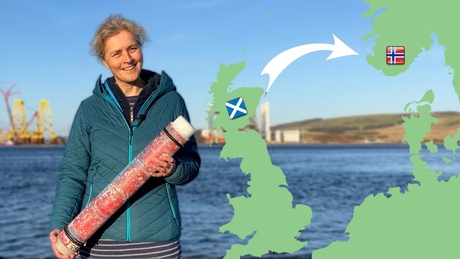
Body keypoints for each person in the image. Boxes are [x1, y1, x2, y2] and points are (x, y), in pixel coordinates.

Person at [49, 14, 200, 259]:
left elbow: (191, 164)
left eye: (132, 48)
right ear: (104, 60)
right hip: (99, 242)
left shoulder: (171, 102)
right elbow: (73, 173)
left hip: (158, 245)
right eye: (116, 53)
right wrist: (60, 224)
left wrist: (174, 169)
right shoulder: (89, 109)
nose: (127, 59)